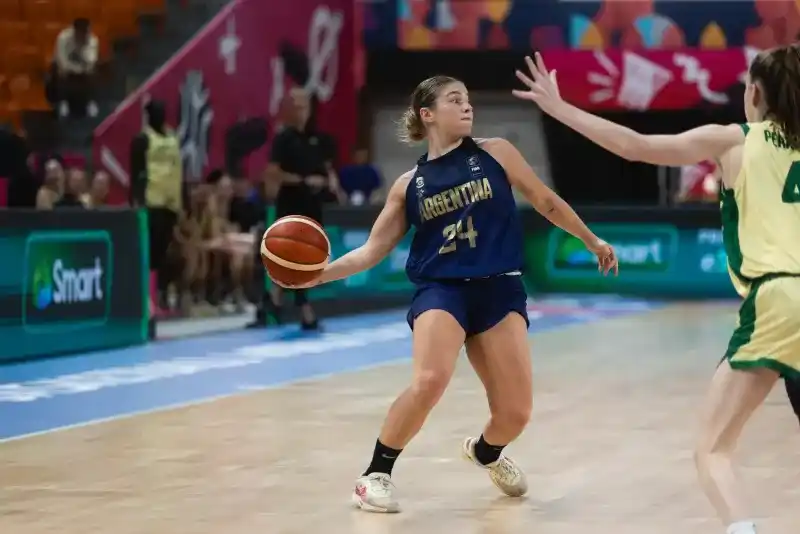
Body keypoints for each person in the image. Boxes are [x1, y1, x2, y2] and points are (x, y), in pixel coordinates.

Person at [270, 75, 618, 512]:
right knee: (430, 379)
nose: (467, 106)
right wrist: (315, 276)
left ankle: (486, 452)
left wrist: (591, 240)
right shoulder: (408, 185)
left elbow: (545, 200)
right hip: (442, 289)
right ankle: (374, 474)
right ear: (427, 114)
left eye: (469, 99)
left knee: (516, 413)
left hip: (499, 287)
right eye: (455, 100)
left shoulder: (496, 153)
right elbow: (371, 251)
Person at [513, 48, 800, 534]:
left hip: (778, 299)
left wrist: (559, 109)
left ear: (754, 94)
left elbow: (632, 145)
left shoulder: (733, 139)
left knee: (713, 448)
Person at [261, 88, 342, 330]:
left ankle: (275, 299)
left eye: (304, 106)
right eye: (295, 107)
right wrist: (301, 180)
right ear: (287, 110)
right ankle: (303, 311)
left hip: (313, 206)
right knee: (295, 257)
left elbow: (327, 171)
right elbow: (272, 172)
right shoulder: (283, 139)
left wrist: (328, 183)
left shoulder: (316, 139)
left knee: (309, 259)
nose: (301, 112)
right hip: (290, 205)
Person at [130, 99, 183, 317]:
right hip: (151, 203)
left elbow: (179, 169)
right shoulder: (142, 139)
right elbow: (136, 173)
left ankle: (156, 296)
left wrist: (182, 201)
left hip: (170, 203)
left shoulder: (173, 139)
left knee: (162, 254)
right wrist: (136, 200)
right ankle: (146, 299)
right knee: (149, 253)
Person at [53, 18, 99, 119]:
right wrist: (77, 69)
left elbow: (91, 62)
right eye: (80, 33)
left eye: (85, 32)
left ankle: (90, 102)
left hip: (82, 71)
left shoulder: (92, 40)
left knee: (95, 72)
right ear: (75, 30)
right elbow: (62, 61)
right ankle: (63, 102)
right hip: (65, 69)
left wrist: (82, 48)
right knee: (59, 72)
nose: (83, 35)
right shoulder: (63, 38)